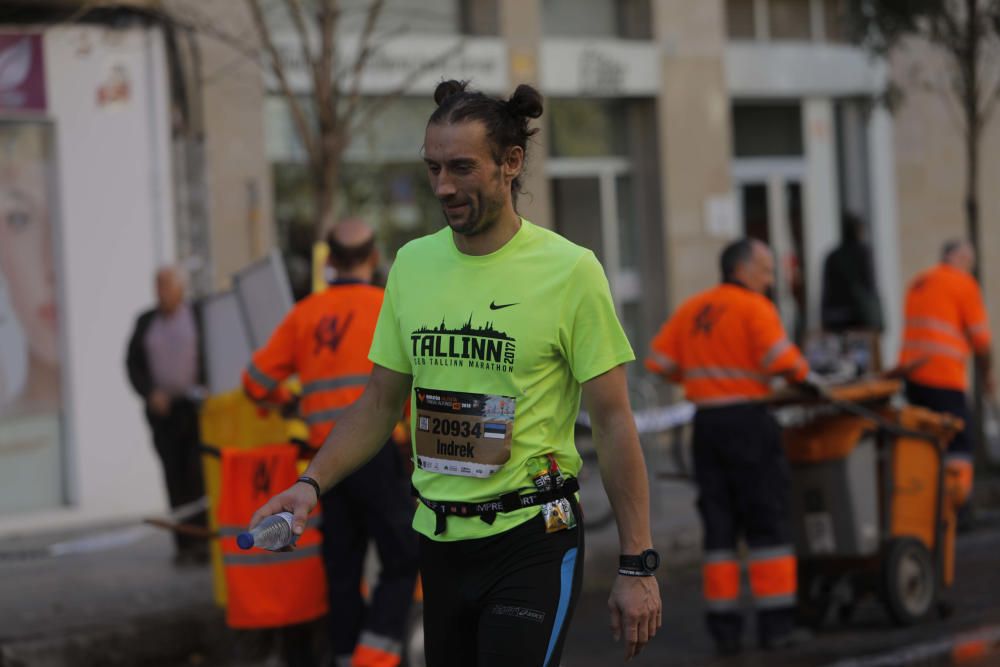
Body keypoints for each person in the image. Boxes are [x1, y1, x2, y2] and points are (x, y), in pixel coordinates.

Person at [250, 80, 662, 666]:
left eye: (462, 168)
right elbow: (378, 403)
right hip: (440, 543)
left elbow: (616, 423)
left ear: (510, 163)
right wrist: (309, 484)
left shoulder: (571, 271)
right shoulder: (412, 265)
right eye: (433, 168)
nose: (443, 186)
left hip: (533, 537)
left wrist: (636, 562)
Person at [242, 218, 418, 667]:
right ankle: (373, 659)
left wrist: (291, 402)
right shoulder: (388, 306)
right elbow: (413, 388)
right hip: (380, 458)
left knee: (342, 571)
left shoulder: (305, 314)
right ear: (374, 259)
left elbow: (255, 382)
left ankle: (345, 655)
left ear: (331, 261)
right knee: (401, 561)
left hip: (325, 467)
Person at [646, 238, 811, 655]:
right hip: (750, 425)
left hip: (707, 426)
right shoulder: (755, 308)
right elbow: (786, 363)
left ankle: (725, 631)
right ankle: (776, 627)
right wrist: (808, 377)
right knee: (767, 522)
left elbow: (660, 363)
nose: (771, 278)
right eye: (766, 269)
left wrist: (701, 380)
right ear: (742, 269)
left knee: (719, 528)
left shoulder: (694, 308)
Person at [898, 240, 994, 519]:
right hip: (944, 376)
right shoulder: (962, 284)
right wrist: (988, 376)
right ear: (962, 259)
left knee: (928, 441)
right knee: (959, 441)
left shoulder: (919, 282)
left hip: (913, 377)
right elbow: (981, 340)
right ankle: (958, 509)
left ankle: (927, 507)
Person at [126, 266, 208, 564]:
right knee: (174, 478)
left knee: (198, 475)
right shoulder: (146, 322)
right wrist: (150, 393)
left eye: (166, 286)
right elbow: (133, 365)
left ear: (181, 288)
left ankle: (203, 542)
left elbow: (212, 354)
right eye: (157, 286)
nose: (161, 292)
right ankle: (184, 544)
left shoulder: (198, 316)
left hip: (195, 409)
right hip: (165, 414)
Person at [820, 212, 883, 335]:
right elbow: (870, 285)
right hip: (860, 319)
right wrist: (878, 319)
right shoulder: (863, 253)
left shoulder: (832, 256)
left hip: (836, 319)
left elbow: (826, 291)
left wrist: (825, 319)